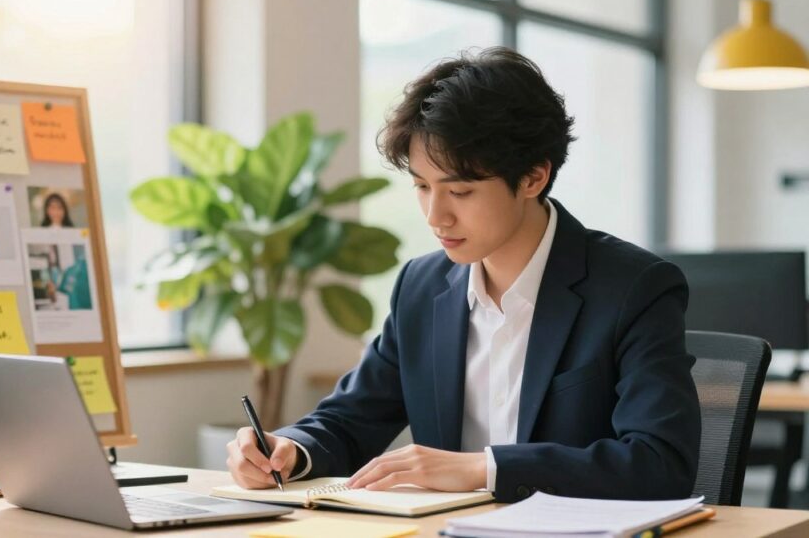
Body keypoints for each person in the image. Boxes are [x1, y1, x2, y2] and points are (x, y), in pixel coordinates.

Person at [226, 47, 701, 503]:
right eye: (421, 186)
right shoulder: (421, 287)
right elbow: (350, 420)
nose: (436, 217)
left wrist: (484, 468)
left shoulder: (633, 287)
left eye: (460, 192)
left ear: (533, 177)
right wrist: (290, 450)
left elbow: (659, 464)